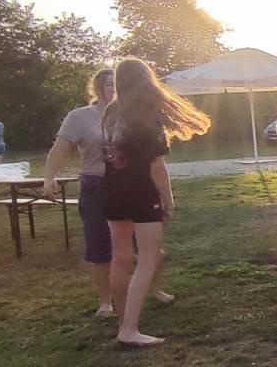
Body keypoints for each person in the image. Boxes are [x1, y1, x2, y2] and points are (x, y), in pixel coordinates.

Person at [44, 69, 173, 317]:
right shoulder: (80, 117)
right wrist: (50, 177)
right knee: (103, 249)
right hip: (97, 185)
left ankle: (153, 290)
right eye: (108, 84)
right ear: (98, 88)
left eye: (116, 84)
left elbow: (156, 163)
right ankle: (107, 303)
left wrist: (165, 195)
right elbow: (60, 149)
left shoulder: (136, 115)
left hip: (134, 184)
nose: (113, 88)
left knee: (149, 248)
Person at [101, 58, 211, 346]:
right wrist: (168, 199)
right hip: (141, 192)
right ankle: (129, 330)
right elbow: (156, 167)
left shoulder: (110, 113)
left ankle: (124, 321)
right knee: (148, 259)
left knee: (120, 258)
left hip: (112, 190)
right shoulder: (148, 116)